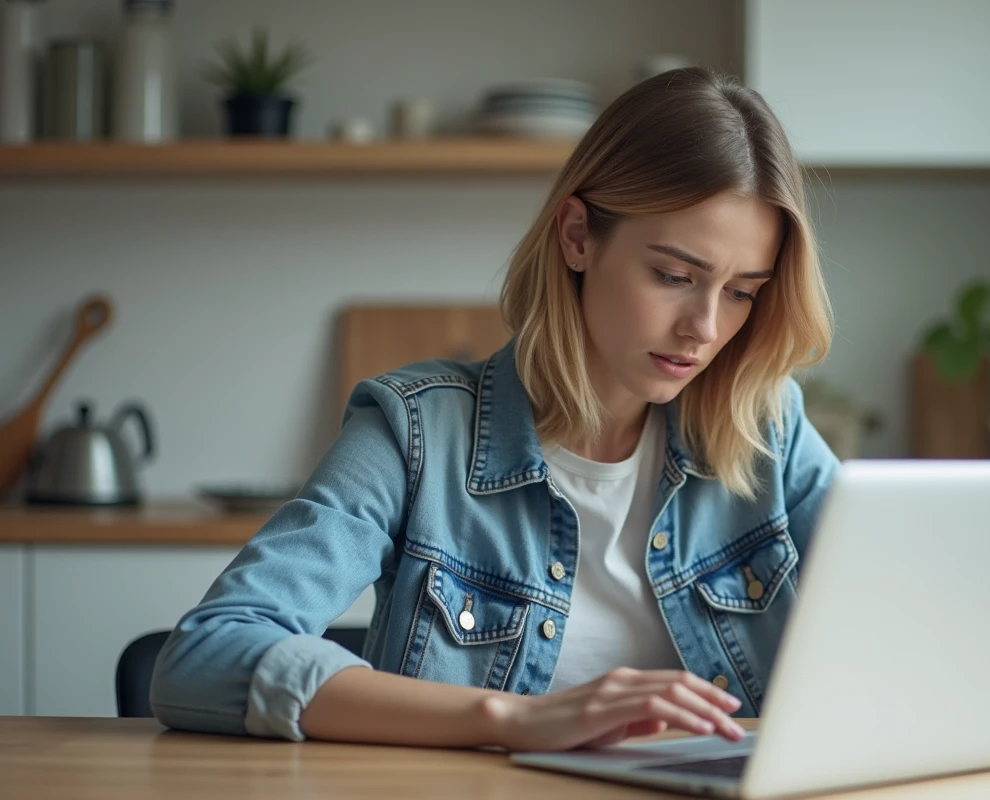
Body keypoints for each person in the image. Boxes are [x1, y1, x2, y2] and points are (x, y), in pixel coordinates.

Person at [150, 66, 839, 752]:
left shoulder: (770, 431)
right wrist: (511, 719)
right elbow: (208, 653)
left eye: (743, 292)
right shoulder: (415, 433)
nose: (705, 328)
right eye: (674, 276)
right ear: (577, 235)